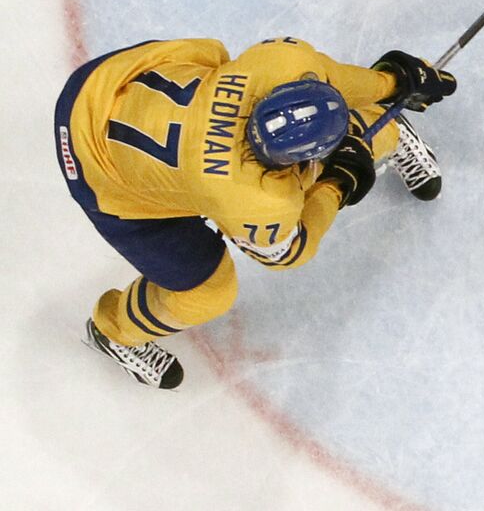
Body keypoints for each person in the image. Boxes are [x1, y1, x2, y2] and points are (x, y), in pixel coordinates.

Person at [56, 36, 456, 389]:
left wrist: (397, 82)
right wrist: (341, 181)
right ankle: (114, 332)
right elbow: (288, 251)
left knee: (213, 58)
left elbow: (332, 79)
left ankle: (387, 128)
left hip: (102, 82)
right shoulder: (255, 200)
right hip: (97, 169)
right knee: (208, 292)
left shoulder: (280, 67)